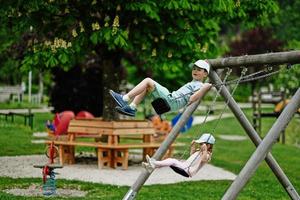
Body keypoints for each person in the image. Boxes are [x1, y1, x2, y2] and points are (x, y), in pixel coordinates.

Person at [109, 60, 211, 117]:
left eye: (199, 70)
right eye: (194, 68)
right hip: (172, 100)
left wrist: (205, 88)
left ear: (205, 74)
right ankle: (132, 108)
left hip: (172, 100)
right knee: (147, 86)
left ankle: (124, 99)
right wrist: (205, 62)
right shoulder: (195, 82)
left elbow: (192, 99)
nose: (195, 71)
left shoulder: (201, 86)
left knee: (148, 80)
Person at [142, 133, 215, 177]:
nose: (200, 145)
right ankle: (152, 166)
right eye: (200, 144)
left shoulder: (207, 155)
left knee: (172, 160)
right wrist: (193, 146)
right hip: (185, 166)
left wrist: (205, 150)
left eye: (202, 144)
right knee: (171, 161)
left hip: (187, 170)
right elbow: (191, 155)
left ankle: (154, 163)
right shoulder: (199, 151)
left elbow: (204, 159)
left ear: (208, 145)